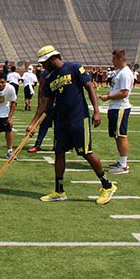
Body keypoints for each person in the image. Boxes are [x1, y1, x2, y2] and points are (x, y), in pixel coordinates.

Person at [27, 45, 117, 205]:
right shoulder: (49, 78)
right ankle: (59, 191)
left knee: (86, 152)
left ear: (51, 58)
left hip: (78, 119)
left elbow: (90, 87)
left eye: (44, 62)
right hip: (61, 122)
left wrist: (96, 111)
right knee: (59, 154)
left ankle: (107, 185)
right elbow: (44, 103)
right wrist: (33, 123)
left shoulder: (74, 68)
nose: (42, 66)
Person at [99, 49, 134, 175]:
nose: (112, 61)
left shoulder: (125, 73)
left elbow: (124, 93)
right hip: (114, 107)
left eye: (114, 59)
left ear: (120, 59)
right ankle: (121, 161)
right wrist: (108, 95)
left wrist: (108, 97)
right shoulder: (119, 72)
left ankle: (124, 164)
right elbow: (116, 89)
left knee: (121, 135)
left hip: (120, 107)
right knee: (116, 135)